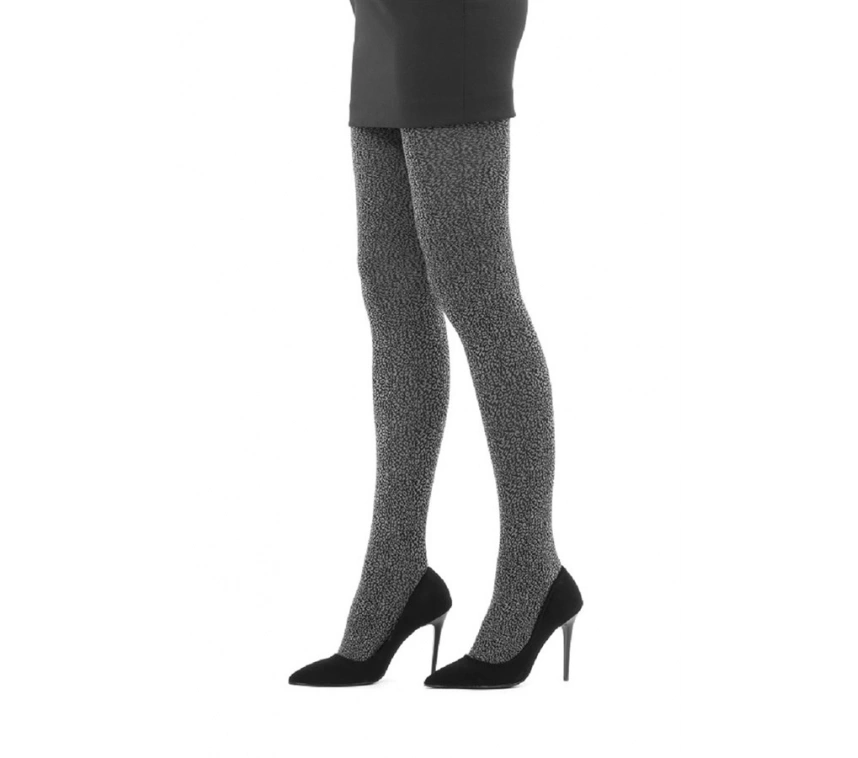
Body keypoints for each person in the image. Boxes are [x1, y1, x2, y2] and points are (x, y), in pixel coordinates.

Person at [289, 0, 583, 689]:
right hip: (381, 17)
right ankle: (396, 571)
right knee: (391, 292)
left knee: (475, 287)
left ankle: (532, 571)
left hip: (452, 16)